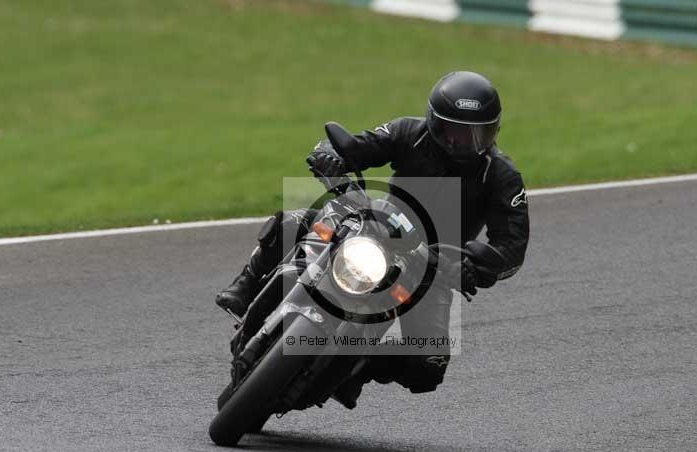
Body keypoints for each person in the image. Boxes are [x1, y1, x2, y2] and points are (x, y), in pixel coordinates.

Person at [216, 71, 529, 404]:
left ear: (492, 131)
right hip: (373, 228)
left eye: (473, 135)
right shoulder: (408, 131)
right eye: (452, 131)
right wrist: (331, 157)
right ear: (434, 122)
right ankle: (246, 284)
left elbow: (512, 248)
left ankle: (355, 368)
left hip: (432, 269)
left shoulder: (502, 175)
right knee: (294, 220)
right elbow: (352, 146)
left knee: (428, 365)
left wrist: (476, 267)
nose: (459, 143)